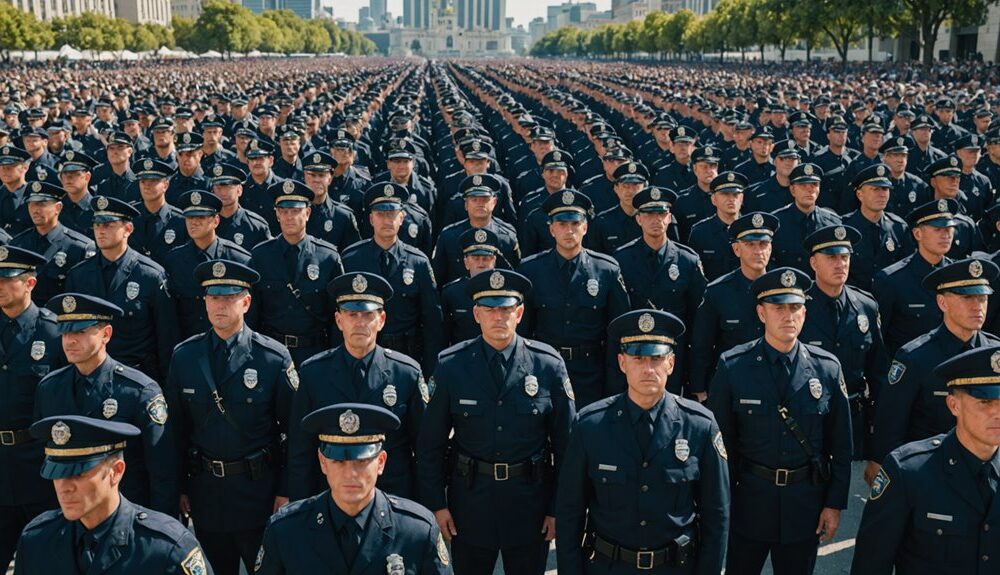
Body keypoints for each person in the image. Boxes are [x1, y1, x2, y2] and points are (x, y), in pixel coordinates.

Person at [416, 269, 575, 575]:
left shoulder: (548, 365)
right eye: (490, 309)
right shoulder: (451, 365)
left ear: (519, 313)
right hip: (471, 502)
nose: (498, 317)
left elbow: (568, 446)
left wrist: (557, 509)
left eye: (505, 309)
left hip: (530, 503)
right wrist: (437, 505)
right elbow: (430, 445)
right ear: (476, 314)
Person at [555, 309, 730, 575]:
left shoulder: (700, 426)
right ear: (622, 363)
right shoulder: (590, 426)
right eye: (638, 358)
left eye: (656, 358)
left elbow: (716, 516)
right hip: (608, 567)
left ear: (671, 363)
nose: (648, 368)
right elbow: (570, 513)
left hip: (675, 567)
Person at [707, 267, 852, 575]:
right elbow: (720, 447)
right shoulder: (734, 366)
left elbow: (840, 444)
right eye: (778, 308)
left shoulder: (826, 368)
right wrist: (720, 505)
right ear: (761, 313)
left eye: (795, 307)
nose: (788, 316)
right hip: (749, 501)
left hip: (805, 504)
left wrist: (834, 503)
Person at [165, 259, 295, 575]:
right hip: (206, 494)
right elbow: (175, 432)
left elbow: (294, 431)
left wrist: (287, 490)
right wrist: (178, 487)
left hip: (258, 493)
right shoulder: (185, 356)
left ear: (246, 302)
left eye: (228, 297)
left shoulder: (272, 358)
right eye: (213, 297)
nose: (219, 305)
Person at [850, 345, 1000, 575]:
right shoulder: (910, 472)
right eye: (985, 402)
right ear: (953, 405)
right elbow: (871, 564)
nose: (997, 413)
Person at [255, 404, 451, 574]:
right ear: (323, 462)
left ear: (381, 462)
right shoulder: (286, 531)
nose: (350, 474)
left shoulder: (417, 531)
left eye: (362, 461)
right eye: (339, 461)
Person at [34, 293, 179, 515]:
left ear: (106, 334)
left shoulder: (138, 390)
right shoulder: (50, 388)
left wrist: (158, 527)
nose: (70, 340)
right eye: (65, 332)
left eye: (80, 332)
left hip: (127, 514)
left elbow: (162, 470)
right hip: (71, 515)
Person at [288, 270, 425, 503]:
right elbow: (301, 449)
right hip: (330, 497)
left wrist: (428, 504)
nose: (360, 323)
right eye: (352, 314)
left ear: (381, 320)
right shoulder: (313, 373)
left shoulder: (406, 373)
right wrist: (300, 504)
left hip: (393, 496)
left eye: (367, 315)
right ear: (339, 320)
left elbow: (424, 448)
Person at [14, 415, 212, 575]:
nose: (64, 487)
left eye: (78, 474)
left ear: (116, 471)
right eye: (57, 474)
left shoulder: (167, 549)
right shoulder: (37, 540)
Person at [867, 257, 1000, 484]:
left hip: (986, 474)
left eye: (982, 298)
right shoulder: (915, 357)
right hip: (930, 475)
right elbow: (892, 422)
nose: (977, 306)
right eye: (967, 298)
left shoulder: (995, 354)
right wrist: (881, 464)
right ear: (942, 302)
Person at [518, 189, 630, 407]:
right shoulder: (531, 270)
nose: (569, 230)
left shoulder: (606, 270)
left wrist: (614, 382)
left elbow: (618, 332)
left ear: (585, 228)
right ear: (551, 229)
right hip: (544, 370)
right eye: (561, 224)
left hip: (591, 372)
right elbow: (522, 331)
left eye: (575, 224)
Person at [64, 196, 180, 382]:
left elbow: (167, 337)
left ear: (128, 229)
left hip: (137, 377)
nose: (100, 231)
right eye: (97, 225)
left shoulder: (150, 275)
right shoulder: (79, 275)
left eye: (108, 225)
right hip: (90, 375)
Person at [0, 246, 65, 571]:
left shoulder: (54, 333)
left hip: (38, 467)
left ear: (30, 283)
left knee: (44, 562)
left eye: (6, 279)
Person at [800, 225, 889, 459]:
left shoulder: (866, 306)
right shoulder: (798, 308)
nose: (840, 264)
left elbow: (878, 371)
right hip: (808, 419)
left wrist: (878, 430)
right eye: (831, 258)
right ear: (813, 263)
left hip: (854, 419)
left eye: (844, 257)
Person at [342, 183, 443, 373]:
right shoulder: (351, 259)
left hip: (408, 355)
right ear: (371, 219)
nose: (386, 220)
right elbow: (339, 316)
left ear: (402, 218)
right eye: (380, 214)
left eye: (392, 214)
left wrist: (431, 368)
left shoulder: (418, 262)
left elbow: (432, 321)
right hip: (362, 354)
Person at [248, 180, 344, 366]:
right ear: (277, 215)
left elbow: (337, 315)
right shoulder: (260, 256)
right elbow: (252, 313)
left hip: (315, 353)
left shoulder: (327, 257)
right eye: (284, 211)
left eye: (295, 211)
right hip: (271, 353)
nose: (289, 217)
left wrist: (335, 358)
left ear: (307, 213)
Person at [688, 212, 778, 400]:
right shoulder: (718, 292)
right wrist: (699, 387)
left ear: (770, 248)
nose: (758, 251)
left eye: (763, 244)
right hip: (732, 384)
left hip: (775, 381)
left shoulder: (782, 290)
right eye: (750, 245)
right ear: (737, 249)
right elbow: (702, 344)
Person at [873, 199, 957, 354]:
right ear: (918, 233)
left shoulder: (958, 276)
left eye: (949, 229)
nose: (945, 235)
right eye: (938, 229)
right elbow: (878, 340)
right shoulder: (892, 280)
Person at [164, 191, 251, 338]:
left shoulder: (238, 259)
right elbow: (170, 315)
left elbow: (250, 312)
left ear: (216, 221)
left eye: (201, 217)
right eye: (190, 217)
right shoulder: (174, 260)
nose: (194, 222)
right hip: (190, 346)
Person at [9, 181, 95, 306]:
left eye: (42, 204)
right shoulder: (18, 243)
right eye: (31, 204)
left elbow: (83, 296)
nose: (35, 210)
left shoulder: (79, 247)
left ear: (58, 208)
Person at [441, 227, 504, 346]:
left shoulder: (505, 292)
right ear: (466, 262)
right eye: (475, 258)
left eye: (486, 258)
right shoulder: (452, 293)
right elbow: (443, 336)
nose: (481, 263)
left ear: (494, 261)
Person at [687, 171, 746, 281]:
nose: (731, 199)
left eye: (735, 194)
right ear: (713, 199)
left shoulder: (751, 229)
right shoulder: (700, 233)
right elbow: (693, 275)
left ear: (741, 199)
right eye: (725, 194)